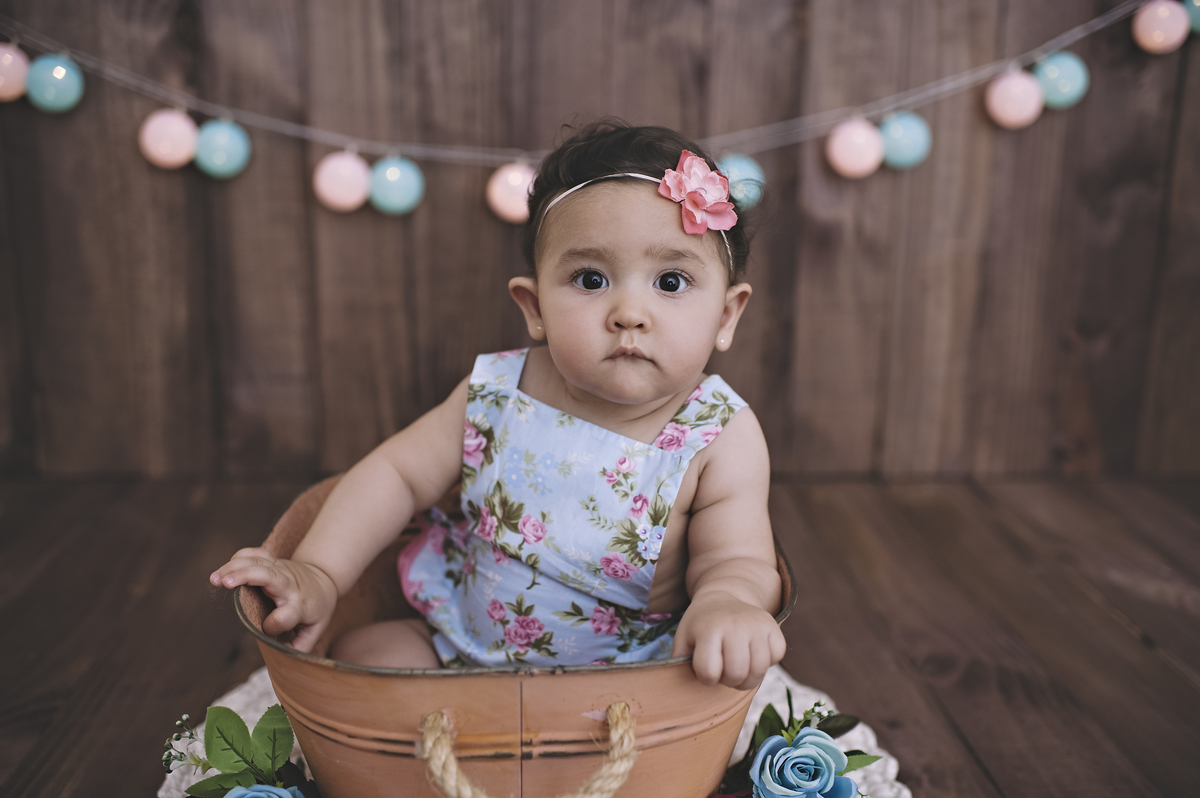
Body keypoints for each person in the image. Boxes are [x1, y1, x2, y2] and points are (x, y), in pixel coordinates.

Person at [211, 122, 785, 690]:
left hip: (624, 682)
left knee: (681, 709)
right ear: (533, 306)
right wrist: (320, 572)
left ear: (726, 316)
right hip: (461, 643)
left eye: (671, 281)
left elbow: (737, 559)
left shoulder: (718, 436)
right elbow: (398, 475)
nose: (629, 312)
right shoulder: (498, 389)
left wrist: (726, 603)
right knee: (362, 655)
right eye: (590, 279)